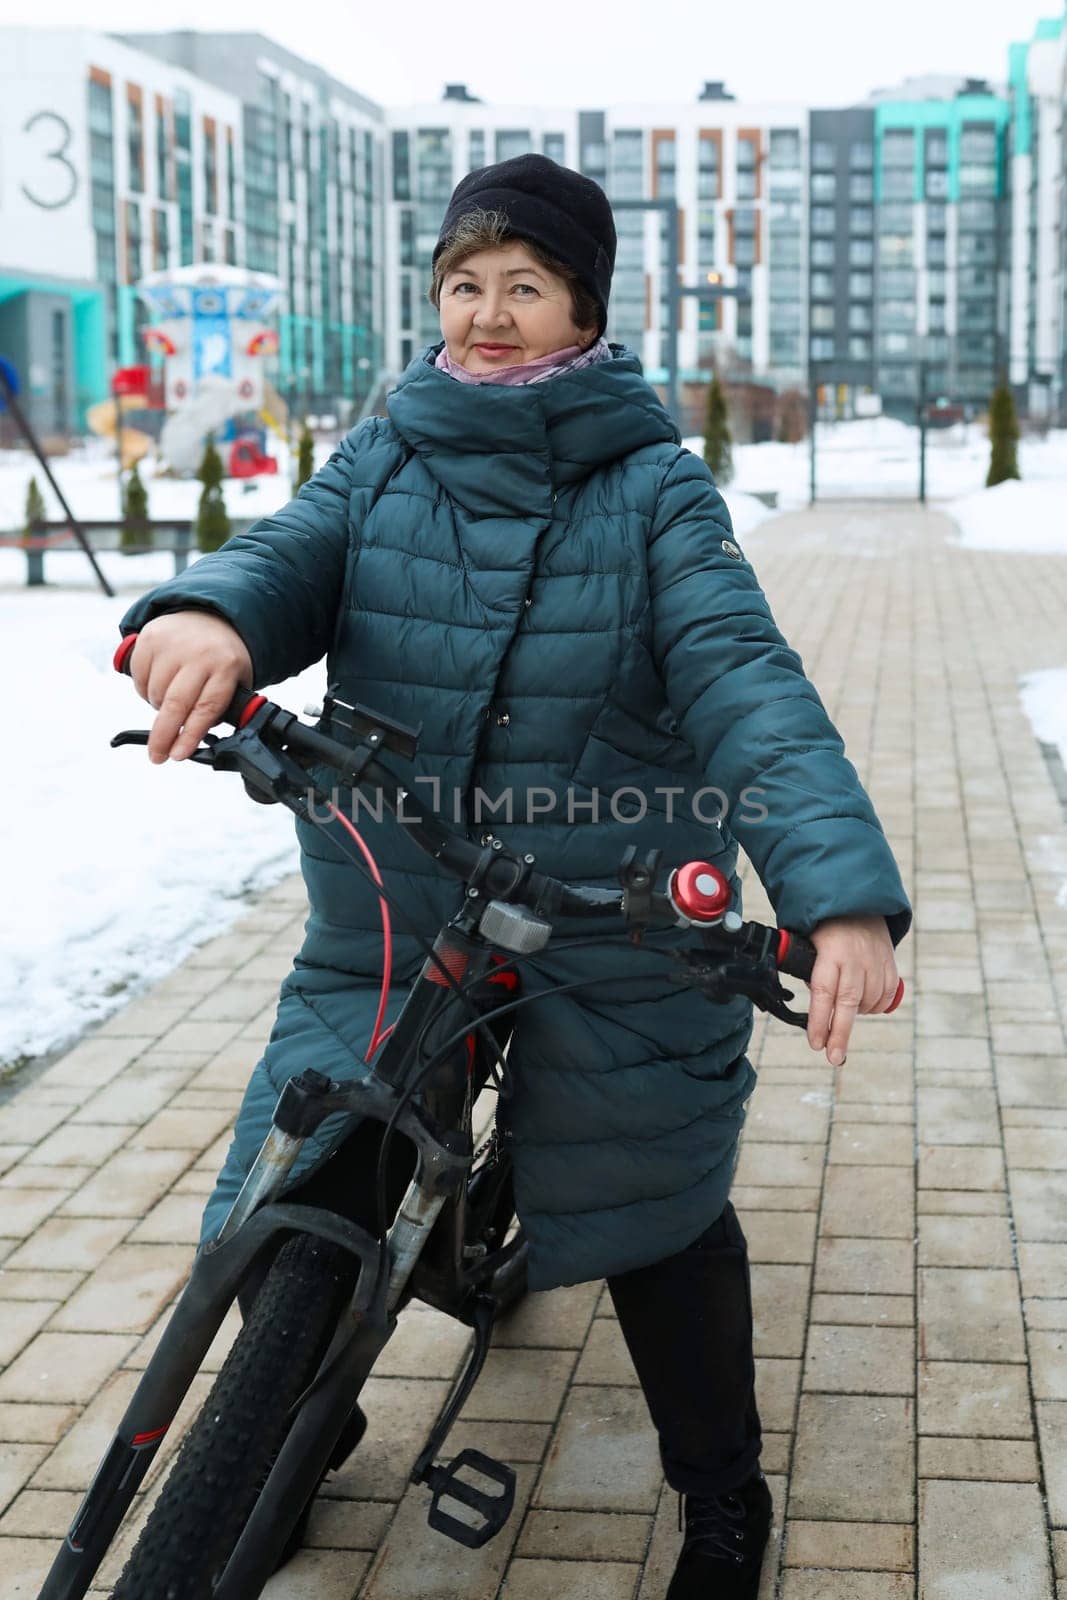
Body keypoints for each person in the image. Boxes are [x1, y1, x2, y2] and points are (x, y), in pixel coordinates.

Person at [119, 155, 910, 1599]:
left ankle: (722, 1494)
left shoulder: (657, 489)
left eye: (524, 286)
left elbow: (745, 682)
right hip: (399, 905)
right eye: (464, 285)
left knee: (656, 1203)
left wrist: (832, 882)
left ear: (583, 311)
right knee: (293, 1181)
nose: (488, 315)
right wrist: (211, 618)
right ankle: (284, 1426)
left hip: (610, 917)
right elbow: (288, 557)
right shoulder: (383, 456)